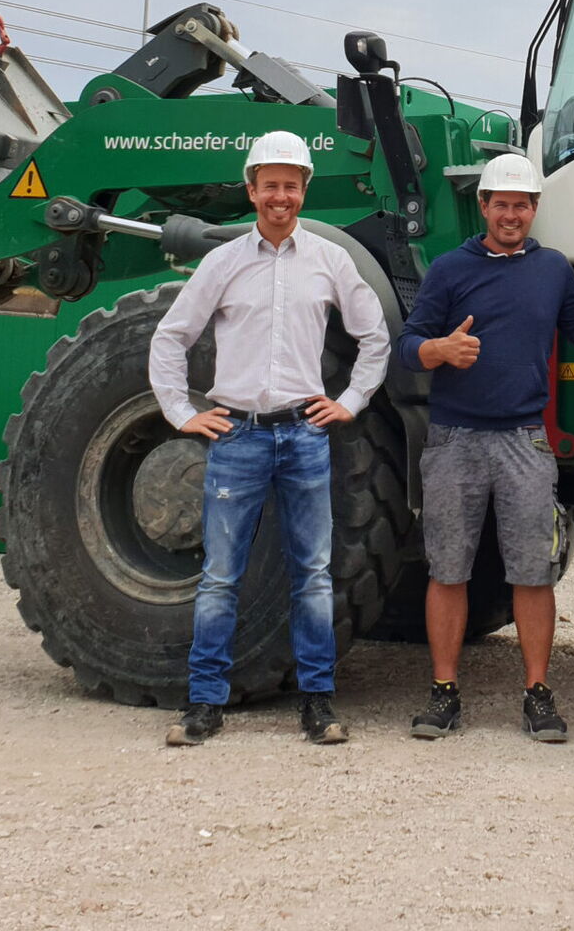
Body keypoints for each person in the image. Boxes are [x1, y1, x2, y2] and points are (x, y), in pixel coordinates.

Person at [147, 129, 389, 748]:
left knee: (314, 575)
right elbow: (171, 336)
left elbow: (375, 337)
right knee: (220, 577)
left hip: (304, 436)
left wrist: (350, 402)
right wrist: (181, 412)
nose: (280, 196)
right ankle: (204, 704)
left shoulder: (330, 261)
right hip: (238, 438)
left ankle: (317, 703)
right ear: (252, 190)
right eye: (270, 185)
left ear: (304, 190)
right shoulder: (224, 261)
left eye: (291, 185)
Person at [397, 152, 574, 742]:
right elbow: (408, 345)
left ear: (534, 208)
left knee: (532, 573)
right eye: (501, 204)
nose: (511, 215)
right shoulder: (449, 269)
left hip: (525, 440)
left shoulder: (552, 270)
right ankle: (443, 692)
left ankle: (538, 695)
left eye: (521, 206)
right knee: (448, 569)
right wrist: (440, 351)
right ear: (484, 206)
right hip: (454, 440)